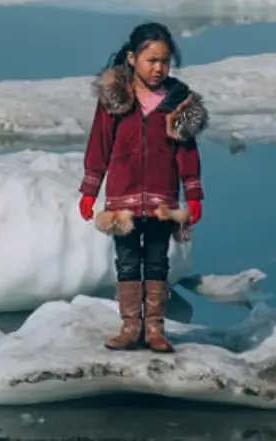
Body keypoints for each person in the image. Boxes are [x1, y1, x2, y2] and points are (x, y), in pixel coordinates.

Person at [78, 22, 207, 353]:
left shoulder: (178, 102)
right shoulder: (115, 98)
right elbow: (99, 145)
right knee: (127, 260)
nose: (159, 68)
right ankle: (130, 327)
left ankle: (154, 329)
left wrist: (193, 194)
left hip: (163, 199)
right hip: (123, 197)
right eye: (152, 60)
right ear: (133, 58)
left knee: (157, 261)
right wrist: (90, 189)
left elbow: (187, 153)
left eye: (164, 61)